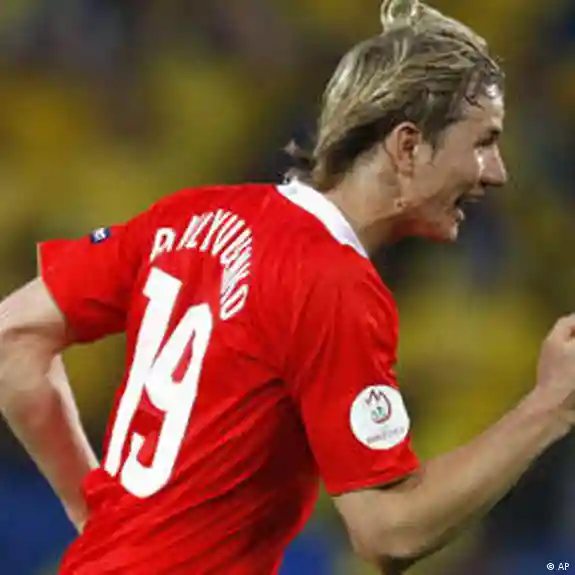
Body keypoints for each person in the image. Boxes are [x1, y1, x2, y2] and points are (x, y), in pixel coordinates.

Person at [0, 1, 573, 573]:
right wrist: (550, 405)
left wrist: (100, 521)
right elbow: (388, 531)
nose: (497, 171)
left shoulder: (187, 215)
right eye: (482, 143)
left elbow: (14, 336)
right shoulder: (333, 282)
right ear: (407, 147)